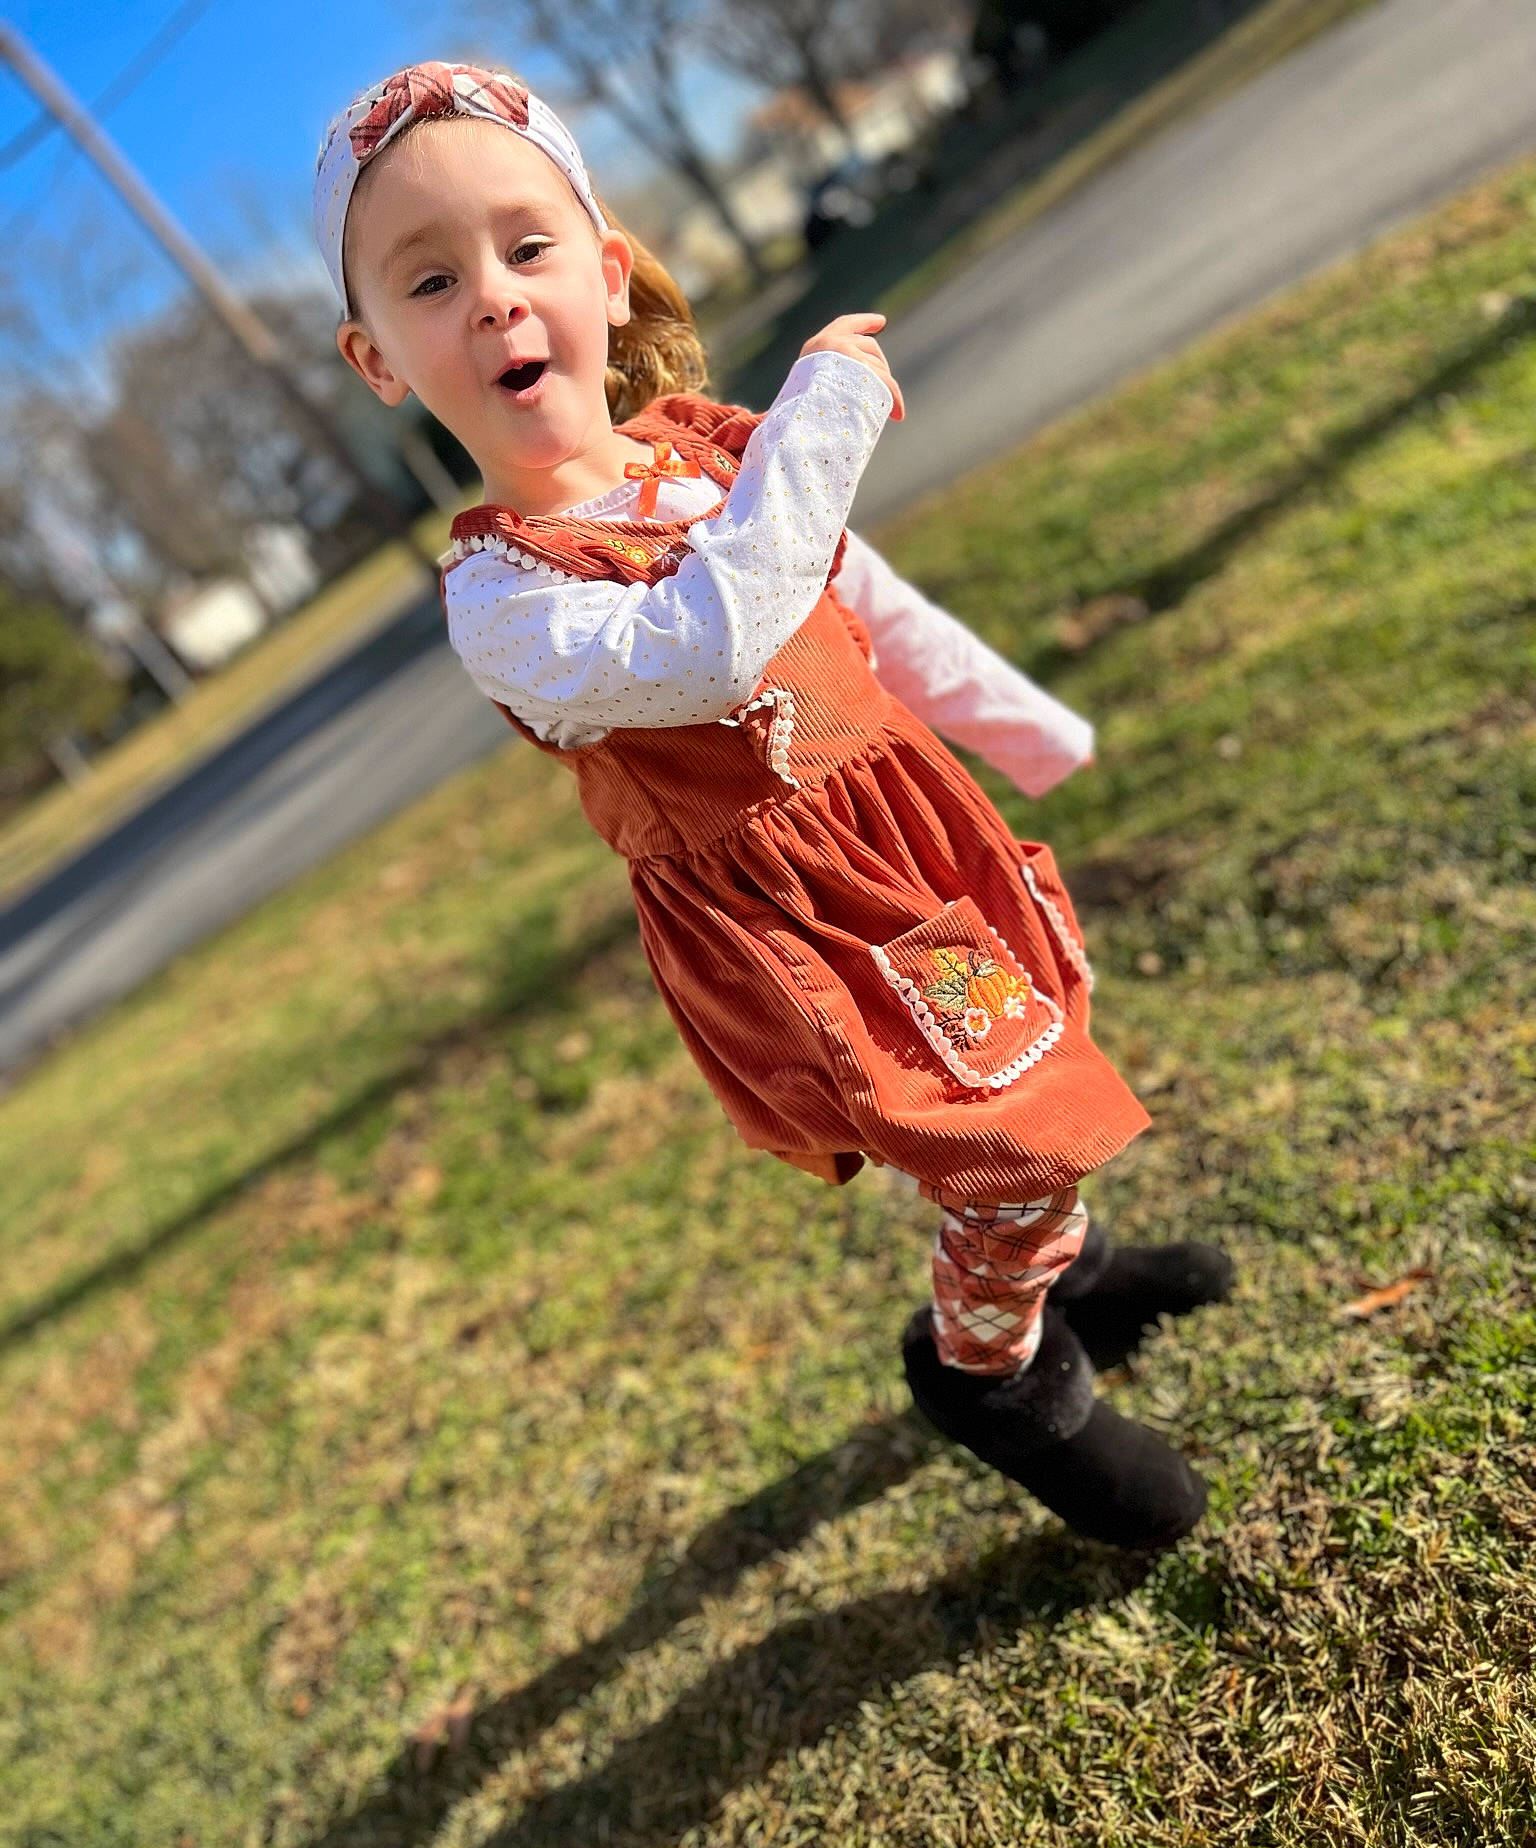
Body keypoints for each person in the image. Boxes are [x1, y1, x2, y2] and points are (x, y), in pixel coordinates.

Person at [314, 61, 1233, 1551]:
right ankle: (992, 1373)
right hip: (811, 921)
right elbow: (714, 643)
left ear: (607, 274)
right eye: (431, 280)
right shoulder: (505, 595)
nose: (491, 298)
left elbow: (869, 609)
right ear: (377, 361)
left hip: (912, 834)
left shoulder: (707, 456)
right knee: (1001, 1138)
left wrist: (1031, 734)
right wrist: (825, 417)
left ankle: (1072, 1266)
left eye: (527, 247)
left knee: (1037, 1063)